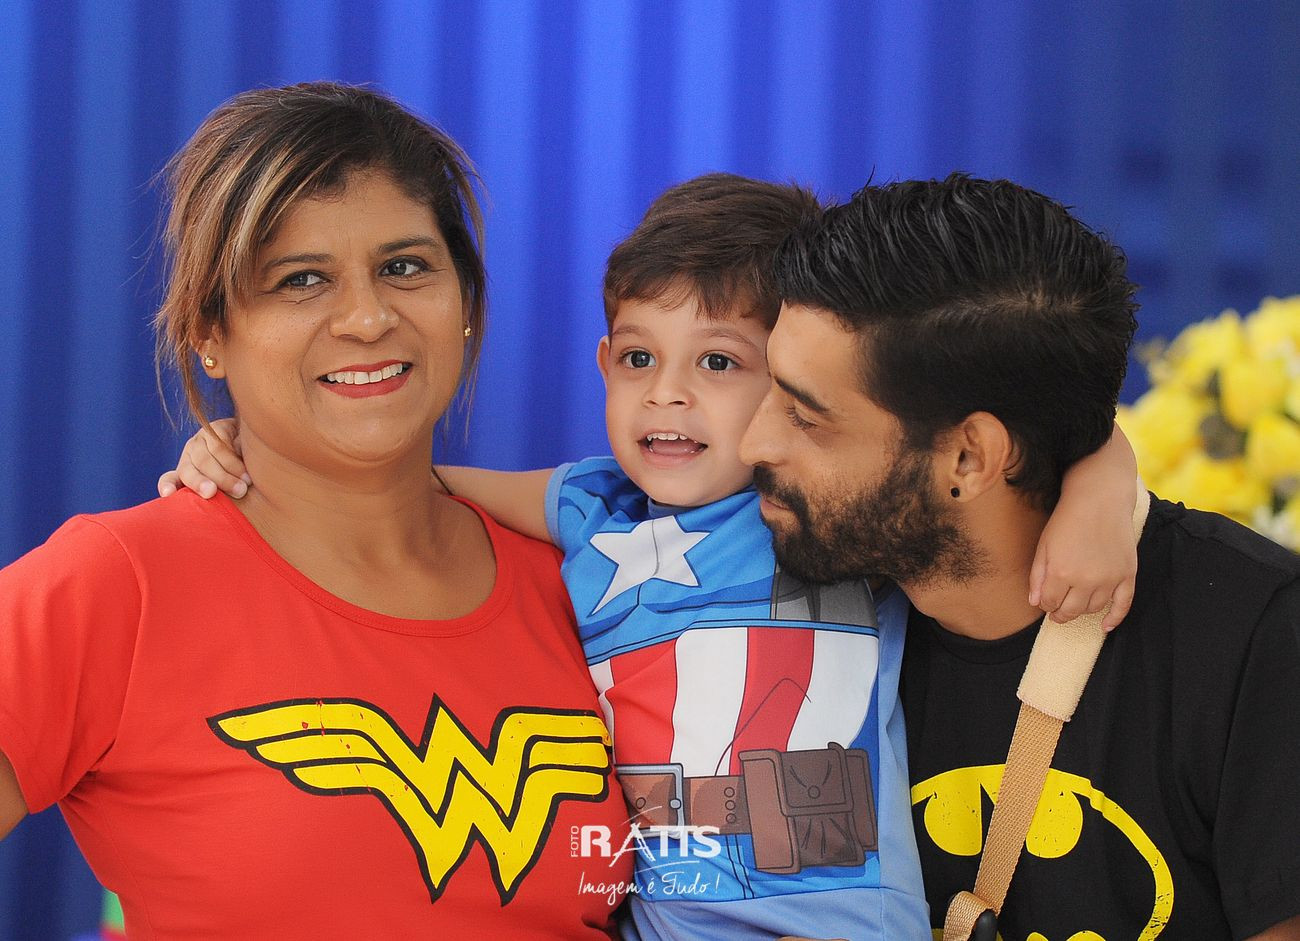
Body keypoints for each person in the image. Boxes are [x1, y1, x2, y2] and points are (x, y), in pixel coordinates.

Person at [164, 173, 1142, 941]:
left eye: (718, 362)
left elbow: (1030, 432)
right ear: (604, 363)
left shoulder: (822, 513)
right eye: (638, 358)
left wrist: (1105, 481)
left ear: (793, 377)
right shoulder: (588, 506)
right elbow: (410, 482)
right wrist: (242, 448)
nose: (666, 394)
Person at [0, 82, 632, 938]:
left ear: (466, 303)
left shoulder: (598, 585)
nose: (368, 317)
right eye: (300, 280)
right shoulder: (117, 585)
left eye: (405, 267)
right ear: (209, 333)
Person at [741, 173, 1300, 939]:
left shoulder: (1252, 635)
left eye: (806, 418)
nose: (752, 443)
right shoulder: (762, 579)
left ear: (969, 458)